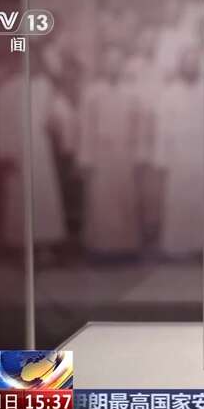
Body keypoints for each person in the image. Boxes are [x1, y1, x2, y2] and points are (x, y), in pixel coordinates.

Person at [0, 50, 72, 260]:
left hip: (40, 148)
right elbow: (1, 123)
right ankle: (21, 247)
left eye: (34, 60)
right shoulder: (7, 89)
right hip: (16, 150)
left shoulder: (45, 87)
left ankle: (44, 245)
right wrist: (4, 151)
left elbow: (57, 114)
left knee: (43, 195)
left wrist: (59, 127)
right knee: (19, 197)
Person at [77, 46, 143, 258]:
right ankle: (101, 249)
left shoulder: (132, 93)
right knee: (101, 200)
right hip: (101, 153)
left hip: (125, 152)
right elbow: (86, 128)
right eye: (109, 62)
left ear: (122, 65)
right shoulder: (92, 92)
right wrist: (86, 159)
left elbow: (138, 127)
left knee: (124, 199)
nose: (113, 66)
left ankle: (125, 248)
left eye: (117, 62)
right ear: (103, 65)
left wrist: (138, 155)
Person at [155, 45, 203, 258]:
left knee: (200, 200)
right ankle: (178, 248)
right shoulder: (170, 93)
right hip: (178, 155)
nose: (191, 66)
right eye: (187, 62)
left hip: (201, 154)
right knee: (178, 201)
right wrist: (161, 159)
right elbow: (162, 128)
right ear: (181, 66)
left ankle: (200, 247)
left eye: (194, 62)